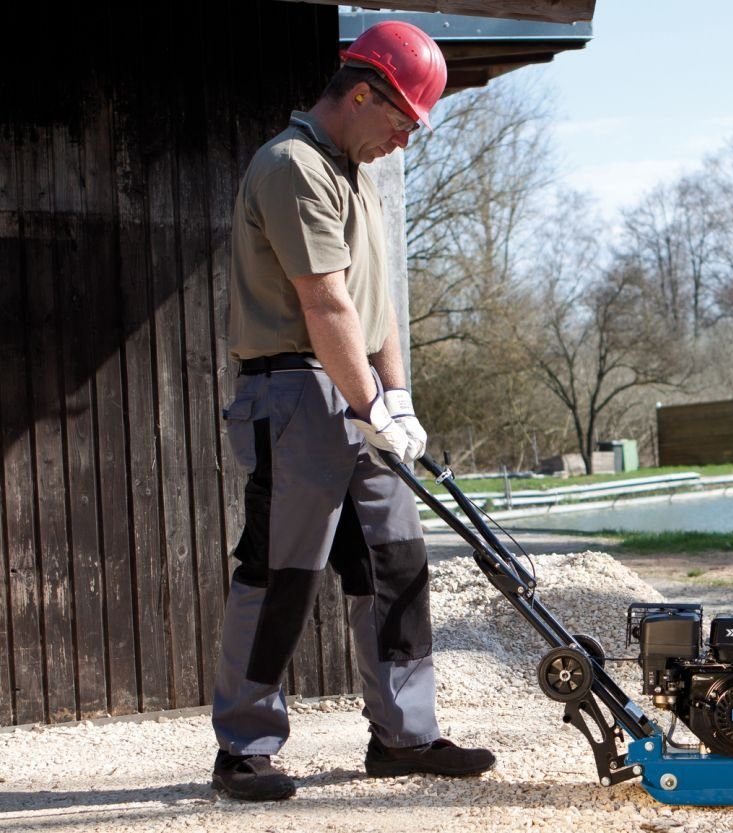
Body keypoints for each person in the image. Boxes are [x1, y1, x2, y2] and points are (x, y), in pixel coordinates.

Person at [211, 21, 494, 802]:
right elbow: (325, 302)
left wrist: (394, 397)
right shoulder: (294, 167)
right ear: (362, 93)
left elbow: (377, 307)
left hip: (359, 388)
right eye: (401, 124)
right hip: (295, 391)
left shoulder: (358, 177)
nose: (403, 142)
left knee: (397, 563)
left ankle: (405, 736)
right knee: (281, 574)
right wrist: (371, 402)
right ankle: (244, 746)